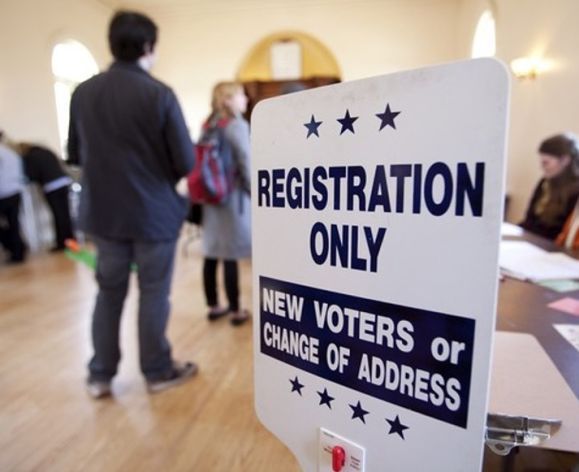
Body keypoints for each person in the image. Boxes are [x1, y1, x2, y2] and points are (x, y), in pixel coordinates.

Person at [67, 10, 197, 398]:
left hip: (104, 214)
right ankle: (157, 371)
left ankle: (100, 375)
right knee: (154, 292)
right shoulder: (159, 94)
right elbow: (186, 162)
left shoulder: (82, 93)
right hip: (153, 214)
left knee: (109, 292)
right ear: (147, 46)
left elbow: (74, 154)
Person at [201, 82, 251, 326]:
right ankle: (235, 310)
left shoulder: (208, 124)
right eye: (241, 95)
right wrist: (257, 193)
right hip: (232, 197)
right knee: (230, 253)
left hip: (211, 197)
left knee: (211, 252)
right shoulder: (237, 126)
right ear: (229, 99)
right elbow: (246, 161)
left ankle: (213, 305)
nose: (246, 99)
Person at [520, 133, 579, 239]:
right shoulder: (544, 182)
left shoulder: (575, 192)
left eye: (546, 163)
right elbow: (529, 221)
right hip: (533, 242)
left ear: (565, 160)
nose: (542, 167)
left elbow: (564, 235)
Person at [17, 143, 74, 251]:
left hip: (51, 186)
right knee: (65, 215)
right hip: (63, 182)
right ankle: (70, 240)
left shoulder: (30, 157)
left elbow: (32, 176)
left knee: (58, 215)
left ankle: (62, 243)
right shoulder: (46, 151)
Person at [0, 137, 26, 264]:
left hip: (4, 193)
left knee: (11, 224)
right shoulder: (10, 152)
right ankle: (18, 250)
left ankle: (15, 250)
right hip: (15, 191)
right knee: (14, 223)